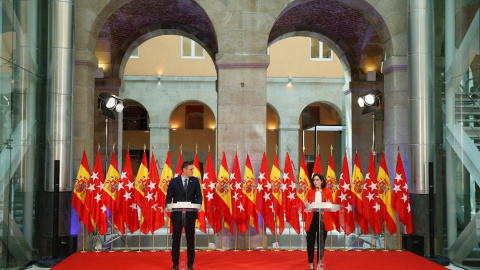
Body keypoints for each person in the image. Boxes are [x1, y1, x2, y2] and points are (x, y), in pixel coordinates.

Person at [166, 161, 203, 270]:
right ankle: (175, 263)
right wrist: (167, 206)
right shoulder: (174, 181)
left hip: (190, 214)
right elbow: (169, 197)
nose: (193, 171)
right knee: (176, 239)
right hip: (177, 215)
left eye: (193, 169)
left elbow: (199, 196)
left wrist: (199, 205)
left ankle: (190, 264)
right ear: (184, 170)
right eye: (191, 169)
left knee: (190, 240)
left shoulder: (195, 181)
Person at [304, 173, 333, 270]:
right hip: (312, 218)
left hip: (323, 218)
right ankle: (311, 264)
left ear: (322, 181)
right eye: (314, 180)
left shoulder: (327, 191)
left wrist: (328, 204)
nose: (315, 182)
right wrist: (306, 204)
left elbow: (330, 204)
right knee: (310, 242)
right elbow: (306, 203)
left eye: (317, 180)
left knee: (321, 242)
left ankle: (319, 263)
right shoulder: (310, 191)